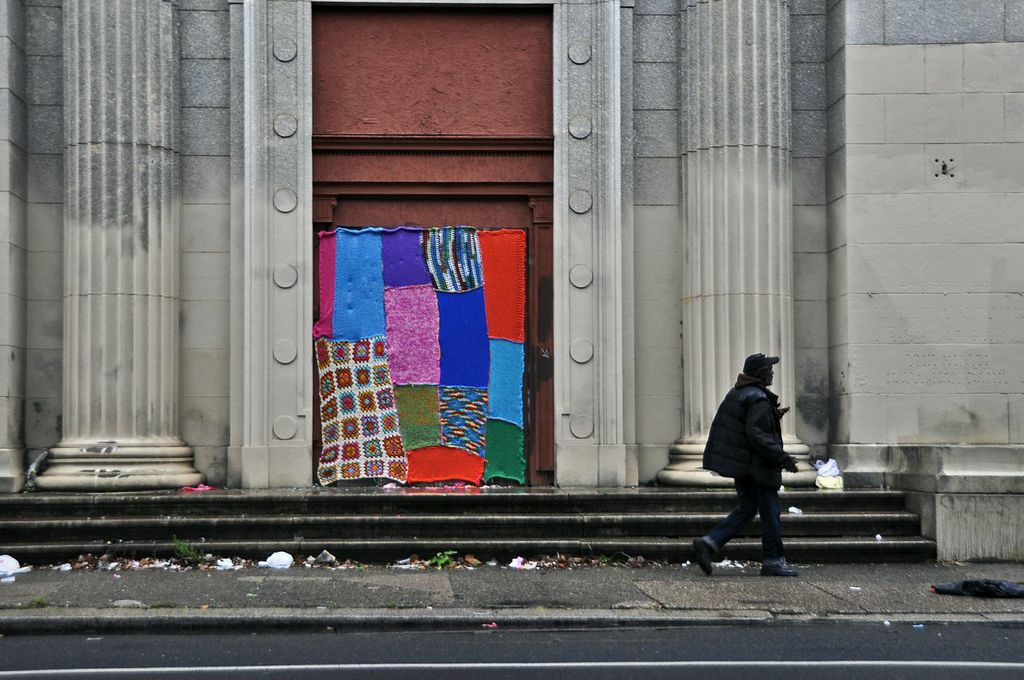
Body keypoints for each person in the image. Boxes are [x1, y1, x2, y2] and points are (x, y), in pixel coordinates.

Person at [692, 353, 801, 577]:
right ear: (760, 373)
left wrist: (772, 414)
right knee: (770, 513)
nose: (772, 372)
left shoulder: (740, 392)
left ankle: (710, 542)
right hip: (758, 468)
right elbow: (757, 435)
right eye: (769, 368)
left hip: (745, 467)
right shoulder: (758, 398)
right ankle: (773, 560)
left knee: (747, 509)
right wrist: (782, 457)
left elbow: (745, 425)